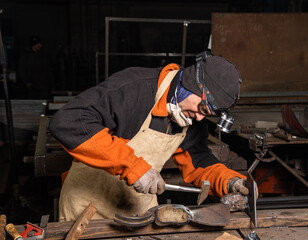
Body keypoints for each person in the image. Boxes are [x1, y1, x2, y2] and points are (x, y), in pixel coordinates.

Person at [49, 51, 253, 222]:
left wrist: (230, 180)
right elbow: (68, 121)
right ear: (192, 84)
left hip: (137, 213)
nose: (199, 117)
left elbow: (199, 162)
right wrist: (134, 167)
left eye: (207, 114)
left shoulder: (190, 120)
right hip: (86, 208)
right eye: (201, 108)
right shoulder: (134, 88)